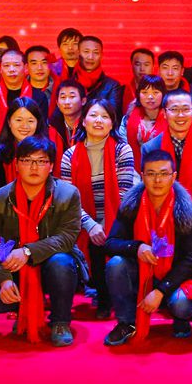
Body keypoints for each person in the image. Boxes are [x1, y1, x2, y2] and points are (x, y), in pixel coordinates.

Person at [0, 135, 82, 347]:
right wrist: (4, 279)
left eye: (41, 161)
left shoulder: (67, 194)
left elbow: (67, 237)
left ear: (51, 166)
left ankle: (60, 322)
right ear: (17, 164)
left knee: (61, 263)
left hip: (52, 264)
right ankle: (24, 313)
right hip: (15, 267)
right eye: (27, 160)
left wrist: (28, 251)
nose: (34, 167)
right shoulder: (0, 197)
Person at [102, 148, 192, 345]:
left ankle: (181, 319)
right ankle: (126, 323)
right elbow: (110, 243)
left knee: (182, 305)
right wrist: (137, 247)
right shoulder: (131, 205)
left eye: (164, 174)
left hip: (176, 276)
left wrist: (161, 291)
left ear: (173, 176)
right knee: (115, 264)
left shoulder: (189, 211)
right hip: (141, 272)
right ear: (142, 176)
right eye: (151, 174)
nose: (157, 180)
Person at [61, 99, 136, 320]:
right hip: (83, 222)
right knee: (94, 240)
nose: (98, 121)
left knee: (106, 240)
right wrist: (91, 224)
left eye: (105, 116)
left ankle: (113, 296)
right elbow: (69, 201)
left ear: (112, 123)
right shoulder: (69, 155)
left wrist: (105, 227)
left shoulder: (123, 150)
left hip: (118, 219)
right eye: (93, 115)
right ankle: (102, 295)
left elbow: (124, 196)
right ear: (83, 121)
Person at [141, 89, 192, 224]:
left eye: (186, 109)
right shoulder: (151, 148)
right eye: (174, 109)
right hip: (163, 218)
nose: (180, 115)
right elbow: (151, 188)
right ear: (164, 113)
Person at [0, 48, 47, 160]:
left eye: (16, 65)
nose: (11, 70)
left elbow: (41, 129)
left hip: (29, 158)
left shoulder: (39, 97)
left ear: (25, 68)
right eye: (6, 66)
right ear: (1, 69)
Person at [0, 97, 50, 202]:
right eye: (19, 120)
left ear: (37, 123)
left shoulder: (46, 150)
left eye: (30, 121)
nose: (25, 126)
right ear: (9, 122)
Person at [122, 75, 167, 149]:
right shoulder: (127, 118)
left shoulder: (170, 118)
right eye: (145, 92)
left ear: (163, 94)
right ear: (138, 94)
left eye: (155, 92)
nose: (150, 97)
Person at [49, 79, 86, 156]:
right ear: (57, 103)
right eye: (63, 97)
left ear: (83, 101)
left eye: (72, 97)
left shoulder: (89, 126)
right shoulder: (52, 126)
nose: (67, 102)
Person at [122, 47, 156, 114]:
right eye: (138, 64)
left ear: (153, 66)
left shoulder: (160, 91)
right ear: (132, 66)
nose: (142, 69)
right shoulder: (121, 91)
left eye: (146, 65)